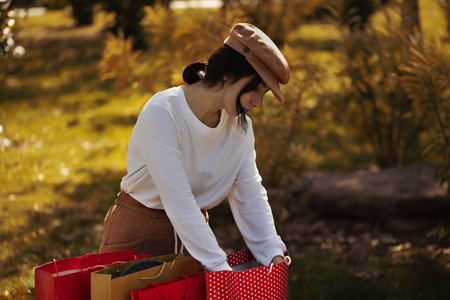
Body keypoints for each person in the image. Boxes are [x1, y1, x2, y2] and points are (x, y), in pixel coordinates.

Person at [99, 23, 290, 272]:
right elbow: (178, 200)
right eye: (256, 90)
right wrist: (220, 267)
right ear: (228, 75)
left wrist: (272, 252)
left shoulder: (240, 130)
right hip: (139, 232)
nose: (258, 103)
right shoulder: (164, 112)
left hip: (194, 241)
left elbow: (251, 195)